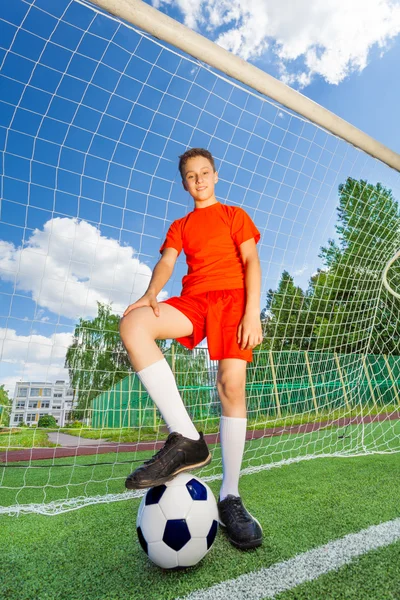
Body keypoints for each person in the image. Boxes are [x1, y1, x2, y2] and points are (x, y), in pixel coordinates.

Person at [120, 148, 263, 549]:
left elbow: (251, 261)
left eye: (204, 173)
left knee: (230, 385)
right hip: (195, 301)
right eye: (190, 175)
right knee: (133, 324)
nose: (198, 180)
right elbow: (167, 262)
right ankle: (186, 437)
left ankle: (230, 496)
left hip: (234, 299)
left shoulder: (235, 215)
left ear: (215, 176)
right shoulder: (181, 225)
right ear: (184, 183)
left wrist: (252, 313)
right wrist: (150, 294)